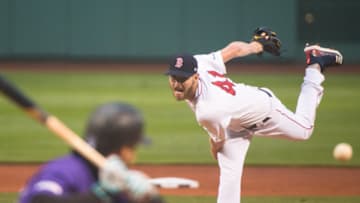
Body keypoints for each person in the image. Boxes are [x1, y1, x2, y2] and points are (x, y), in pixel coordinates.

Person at [165, 27, 343, 203]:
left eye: (182, 79)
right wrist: (256, 45)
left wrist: (215, 150)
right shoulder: (198, 62)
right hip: (233, 124)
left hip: (263, 110)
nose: (177, 84)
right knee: (229, 177)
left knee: (304, 130)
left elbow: (217, 143)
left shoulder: (208, 111)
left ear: (195, 77)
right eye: (173, 77)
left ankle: (314, 66)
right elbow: (233, 50)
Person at [18, 102, 164, 203]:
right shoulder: (64, 170)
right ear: (121, 149)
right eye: (132, 148)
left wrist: (151, 198)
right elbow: (39, 200)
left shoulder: (115, 185)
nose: (133, 157)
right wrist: (100, 196)